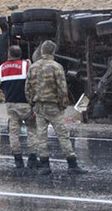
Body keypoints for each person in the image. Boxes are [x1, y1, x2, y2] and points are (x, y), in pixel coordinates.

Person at [25, 40, 87, 175]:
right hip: (54, 107)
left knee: (41, 136)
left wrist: (32, 104)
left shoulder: (33, 67)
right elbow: (62, 89)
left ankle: (45, 165)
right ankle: (72, 164)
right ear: (53, 52)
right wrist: (63, 105)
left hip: (39, 107)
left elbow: (28, 88)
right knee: (63, 135)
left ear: (41, 51)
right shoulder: (56, 67)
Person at [0, 45, 39, 168]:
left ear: (9, 54)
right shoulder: (26, 65)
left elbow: (2, 86)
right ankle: (32, 158)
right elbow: (32, 82)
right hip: (26, 104)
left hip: (10, 104)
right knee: (32, 130)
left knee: (14, 133)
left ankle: (18, 159)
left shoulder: (1, 68)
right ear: (20, 54)